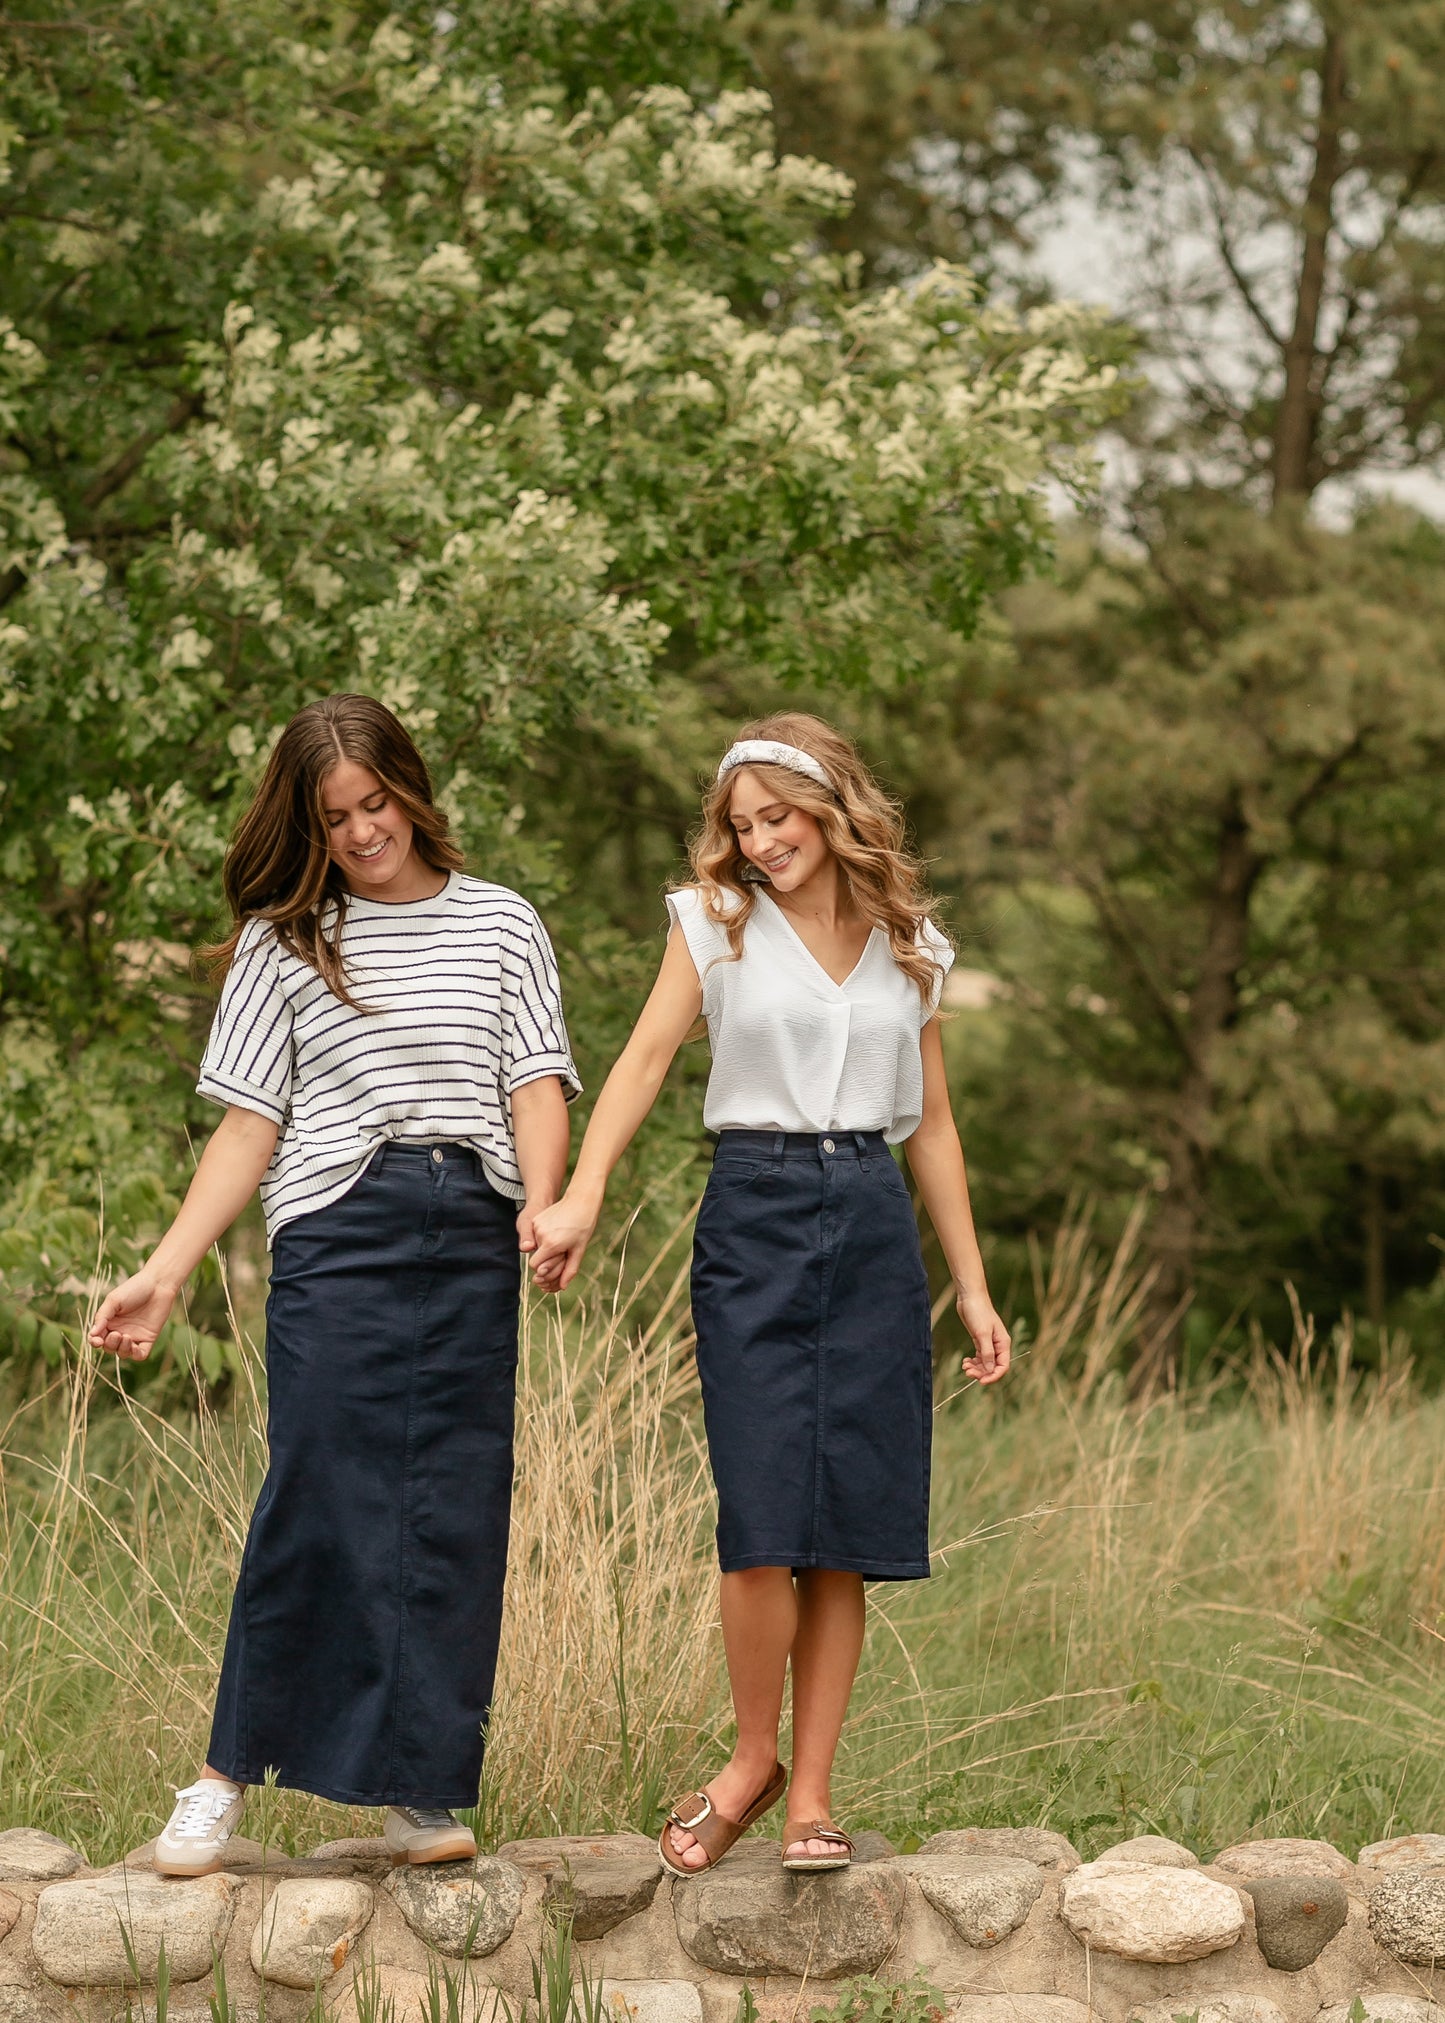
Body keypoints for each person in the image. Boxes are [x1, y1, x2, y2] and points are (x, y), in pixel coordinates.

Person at [88, 693, 578, 1876]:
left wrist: (547, 1204)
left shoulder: (503, 924)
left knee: (449, 1509)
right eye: (337, 816)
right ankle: (219, 1779)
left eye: (376, 803)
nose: (363, 831)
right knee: (313, 1492)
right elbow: (248, 1128)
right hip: (337, 1233)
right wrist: (166, 1270)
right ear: (307, 825)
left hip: (470, 1231)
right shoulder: (285, 940)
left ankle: (419, 1788)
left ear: (411, 789)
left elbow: (537, 1085)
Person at [527, 711, 1010, 1876]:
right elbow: (644, 1058)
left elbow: (932, 1125)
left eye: (775, 819)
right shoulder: (712, 922)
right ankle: (752, 1761)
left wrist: (974, 1284)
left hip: (873, 1221)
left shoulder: (914, 943)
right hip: (755, 1208)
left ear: (830, 807)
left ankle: (816, 1795)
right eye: (740, 826)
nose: (756, 843)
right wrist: (583, 1191)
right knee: (759, 1522)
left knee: (841, 1531)